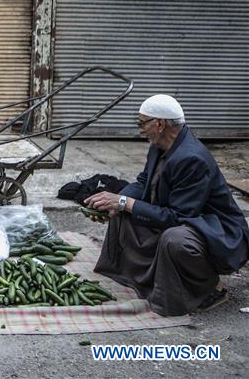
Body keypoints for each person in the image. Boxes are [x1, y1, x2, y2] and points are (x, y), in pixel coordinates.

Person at [86, 94, 249, 316]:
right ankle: (144, 278)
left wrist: (124, 202)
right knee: (123, 210)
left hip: (218, 233)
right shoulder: (160, 145)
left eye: (142, 123)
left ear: (160, 124)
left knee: (175, 240)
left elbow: (178, 217)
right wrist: (112, 201)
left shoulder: (192, 158)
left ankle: (212, 288)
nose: (140, 129)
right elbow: (144, 181)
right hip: (187, 221)